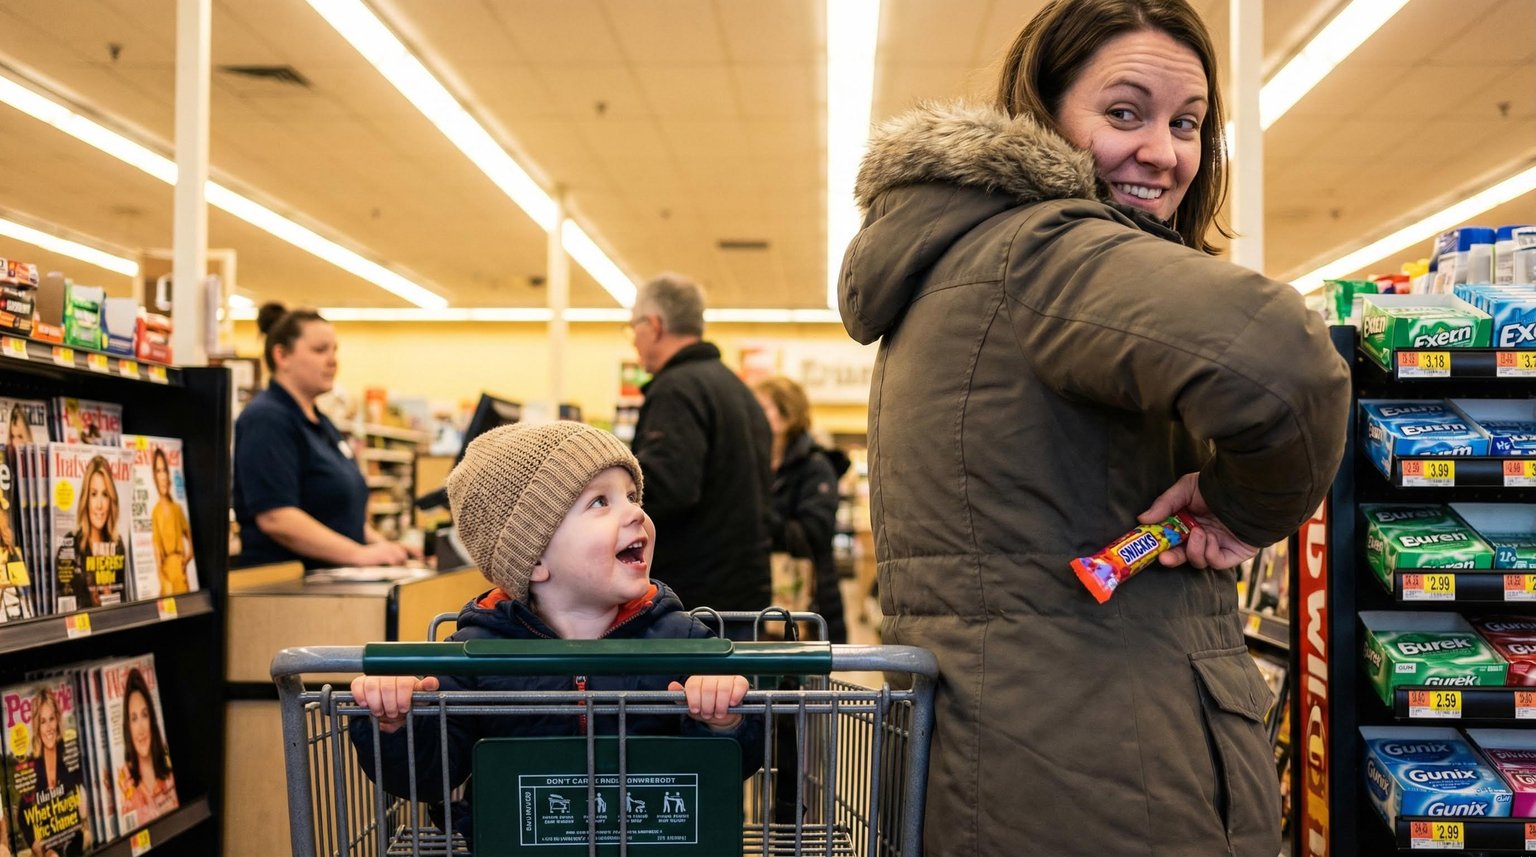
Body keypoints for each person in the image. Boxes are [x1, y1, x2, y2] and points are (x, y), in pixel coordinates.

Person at [836, 1, 1352, 854]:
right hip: (1112, 775)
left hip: (1005, 757)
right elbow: (1287, 363)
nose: (1164, 150)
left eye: (1188, 122)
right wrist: (1238, 508)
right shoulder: (1046, 250)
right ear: (1042, 113)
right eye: (1124, 112)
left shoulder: (958, 264)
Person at [348, 421, 764, 835]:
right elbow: (427, 778)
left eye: (632, 496)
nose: (637, 511)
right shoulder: (473, 656)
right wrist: (394, 723)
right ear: (535, 561)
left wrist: (723, 721)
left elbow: (722, 772)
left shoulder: (684, 642)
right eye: (601, 501)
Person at [627, 274, 772, 614]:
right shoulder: (737, 390)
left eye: (633, 327)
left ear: (654, 325)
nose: (633, 340)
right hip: (742, 591)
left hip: (693, 598)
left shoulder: (675, 390)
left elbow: (668, 486)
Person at [233, 303, 414, 569]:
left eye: (334, 350)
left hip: (330, 582)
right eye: (320, 350)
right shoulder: (266, 419)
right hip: (285, 588)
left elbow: (342, 520)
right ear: (282, 356)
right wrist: (358, 555)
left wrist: (380, 547)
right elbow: (276, 517)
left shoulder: (322, 423)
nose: (332, 360)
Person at [753, 377, 848, 643]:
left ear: (787, 414)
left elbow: (813, 533)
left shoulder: (816, 467)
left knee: (802, 681)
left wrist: (757, 514)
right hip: (761, 600)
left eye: (763, 408)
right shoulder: (753, 465)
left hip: (807, 602)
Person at [16, 686, 86, 857]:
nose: (49, 728)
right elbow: (22, 815)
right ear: (37, 726)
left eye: (51, 719)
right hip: (48, 846)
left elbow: (88, 783)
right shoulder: (32, 764)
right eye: (43, 721)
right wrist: (34, 843)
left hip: (73, 837)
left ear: (58, 720)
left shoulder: (69, 751)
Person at [115, 667, 178, 828]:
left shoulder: (169, 773)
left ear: (152, 720)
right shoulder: (125, 785)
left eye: (144, 715)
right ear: (127, 727)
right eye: (134, 718)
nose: (141, 728)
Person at [66, 454, 126, 609]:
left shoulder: (118, 546)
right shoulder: (71, 545)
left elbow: (123, 602)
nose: (99, 505)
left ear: (111, 500)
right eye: (93, 494)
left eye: (105, 494)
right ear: (86, 498)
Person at [149, 446, 192, 594]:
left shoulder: (177, 508)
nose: (162, 476)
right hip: (167, 573)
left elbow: (188, 534)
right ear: (154, 476)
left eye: (165, 470)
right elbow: (156, 553)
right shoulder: (155, 512)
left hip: (180, 570)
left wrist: (188, 556)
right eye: (158, 471)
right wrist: (162, 577)